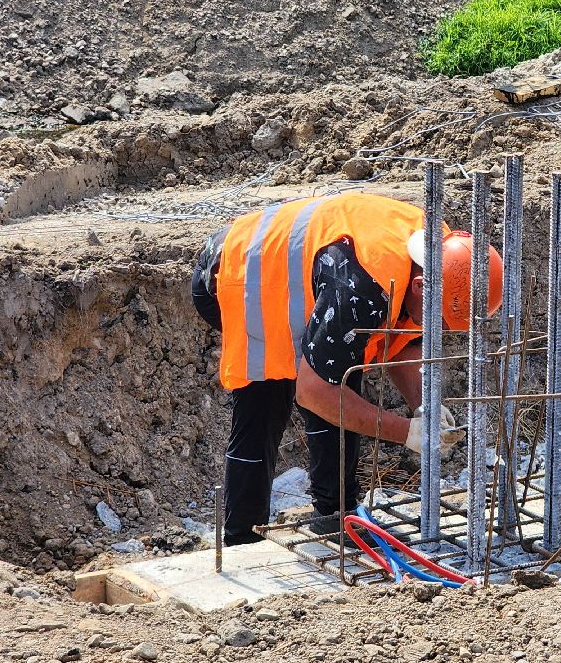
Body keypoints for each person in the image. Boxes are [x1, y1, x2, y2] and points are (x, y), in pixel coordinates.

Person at [191, 191, 503, 545]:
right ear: (421, 287)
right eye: (442, 322)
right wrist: (407, 432)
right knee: (269, 402)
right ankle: (242, 539)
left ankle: (334, 516)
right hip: (240, 278)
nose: (440, 331)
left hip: (305, 274)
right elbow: (315, 392)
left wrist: (424, 404)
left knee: (337, 373)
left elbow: (401, 338)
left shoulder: (441, 256)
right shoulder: (363, 286)